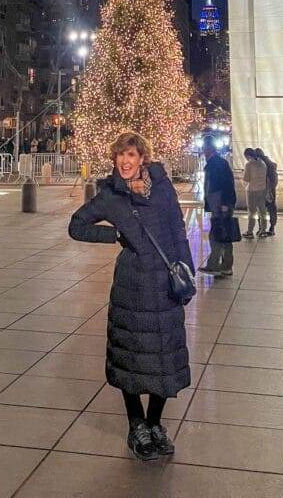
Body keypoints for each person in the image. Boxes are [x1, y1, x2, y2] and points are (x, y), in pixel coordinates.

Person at [68, 131, 192, 462]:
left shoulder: (162, 187)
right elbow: (77, 226)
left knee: (165, 356)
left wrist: (187, 270)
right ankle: (136, 424)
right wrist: (116, 234)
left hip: (165, 284)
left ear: (142, 159)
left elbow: (178, 230)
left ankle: (154, 424)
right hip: (132, 286)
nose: (125, 161)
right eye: (121, 156)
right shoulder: (110, 195)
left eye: (132, 155)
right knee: (132, 357)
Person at [198, 137, 237, 278]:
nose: (203, 152)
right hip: (220, 204)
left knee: (217, 235)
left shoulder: (217, 164)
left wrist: (225, 204)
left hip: (221, 205)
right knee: (224, 235)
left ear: (210, 149)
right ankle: (225, 266)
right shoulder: (217, 163)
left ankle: (215, 265)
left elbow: (225, 184)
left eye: (205, 149)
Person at [242, 148, 268, 239]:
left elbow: (246, 179)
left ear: (247, 156)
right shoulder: (263, 163)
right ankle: (263, 230)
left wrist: (243, 173)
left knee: (252, 211)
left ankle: (250, 231)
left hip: (252, 191)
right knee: (262, 211)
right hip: (262, 189)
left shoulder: (249, 164)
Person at [256, 148, 278, 236]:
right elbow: (274, 181)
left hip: (261, 191)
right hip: (270, 192)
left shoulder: (259, 165)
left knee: (261, 211)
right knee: (272, 209)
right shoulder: (271, 165)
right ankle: (272, 228)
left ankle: (261, 228)